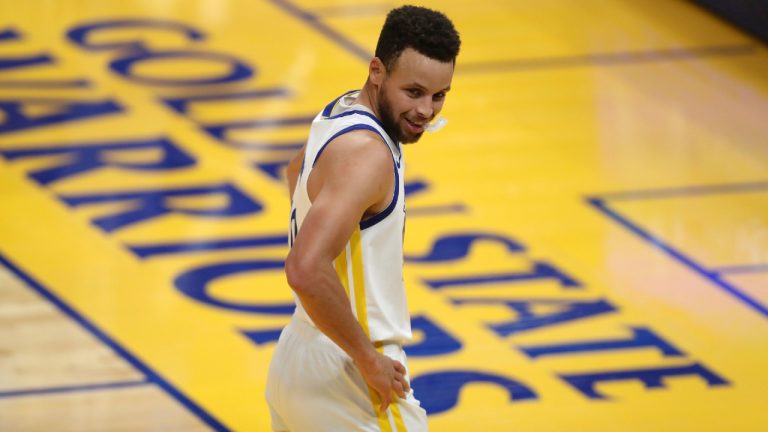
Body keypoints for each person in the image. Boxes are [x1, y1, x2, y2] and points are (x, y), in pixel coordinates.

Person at [266, 5, 460, 431]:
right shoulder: (368, 154)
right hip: (348, 374)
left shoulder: (341, 111)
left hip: (299, 354)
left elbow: (297, 172)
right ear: (377, 71)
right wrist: (367, 357)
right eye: (413, 92)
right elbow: (303, 267)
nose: (426, 111)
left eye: (439, 95)